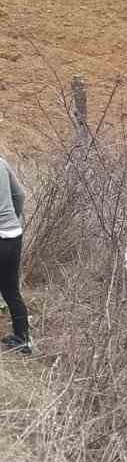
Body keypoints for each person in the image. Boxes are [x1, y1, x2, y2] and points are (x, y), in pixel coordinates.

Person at [0, 151, 32, 356]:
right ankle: (22, 339)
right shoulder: (1, 162)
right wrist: (13, 218)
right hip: (14, 234)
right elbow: (20, 195)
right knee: (11, 289)